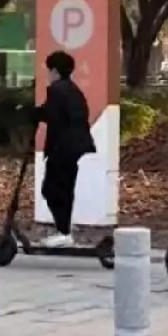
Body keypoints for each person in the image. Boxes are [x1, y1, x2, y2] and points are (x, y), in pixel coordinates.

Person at [35, 51, 96, 248]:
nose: (47, 74)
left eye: (48, 70)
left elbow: (52, 116)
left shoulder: (57, 90)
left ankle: (64, 232)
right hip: (73, 147)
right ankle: (64, 229)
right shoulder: (71, 89)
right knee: (62, 188)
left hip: (64, 147)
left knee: (53, 189)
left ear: (54, 70)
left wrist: (30, 114)